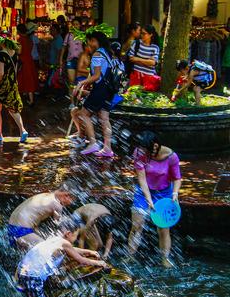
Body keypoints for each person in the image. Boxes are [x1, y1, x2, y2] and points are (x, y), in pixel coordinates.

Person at [17, 216, 107, 297]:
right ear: (69, 233)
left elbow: (71, 250)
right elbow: (81, 260)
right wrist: (99, 263)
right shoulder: (65, 243)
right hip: (33, 277)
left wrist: (89, 251)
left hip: (23, 272)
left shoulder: (53, 239)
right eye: (76, 235)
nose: (76, 238)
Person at [127, 131, 182, 268]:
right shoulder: (140, 152)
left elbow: (177, 178)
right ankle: (130, 257)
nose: (144, 154)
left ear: (156, 145)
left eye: (148, 151)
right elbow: (142, 179)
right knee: (137, 225)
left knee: (163, 229)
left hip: (164, 193)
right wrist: (148, 199)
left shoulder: (171, 157)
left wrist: (175, 193)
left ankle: (165, 258)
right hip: (143, 192)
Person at [74, 31, 117, 158]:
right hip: (109, 91)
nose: (89, 44)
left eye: (91, 41)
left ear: (96, 41)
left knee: (83, 113)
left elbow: (96, 76)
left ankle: (92, 142)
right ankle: (107, 148)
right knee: (104, 118)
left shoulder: (98, 54)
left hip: (100, 90)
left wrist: (81, 83)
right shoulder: (108, 53)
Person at [0, 31, 28, 143]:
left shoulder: (1, 54)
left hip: (2, 85)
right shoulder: (14, 52)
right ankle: (22, 130)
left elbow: (0, 73)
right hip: (12, 83)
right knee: (12, 108)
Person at [7, 188, 75, 249]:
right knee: (50, 250)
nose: (70, 203)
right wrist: (67, 234)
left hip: (11, 228)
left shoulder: (43, 196)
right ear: (66, 196)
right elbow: (59, 225)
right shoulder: (57, 205)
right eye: (71, 200)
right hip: (23, 231)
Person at [127, 24, 161, 92]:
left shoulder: (155, 47)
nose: (141, 35)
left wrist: (138, 59)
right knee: (133, 97)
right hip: (136, 76)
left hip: (149, 78)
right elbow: (131, 58)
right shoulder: (136, 43)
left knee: (147, 98)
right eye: (141, 33)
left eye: (144, 33)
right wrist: (147, 61)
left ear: (150, 34)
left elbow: (153, 63)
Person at [16, 24, 38, 106]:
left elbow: (20, 51)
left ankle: (31, 101)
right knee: (29, 79)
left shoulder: (20, 39)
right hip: (29, 60)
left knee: (26, 80)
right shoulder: (29, 39)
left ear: (19, 31)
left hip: (23, 61)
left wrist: (15, 49)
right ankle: (29, 98)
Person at [59, 18, 83, 87]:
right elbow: (64, 47)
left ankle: (78, 96)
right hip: (70, 60)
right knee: (71, 82)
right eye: (74, 24)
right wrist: (60, 60)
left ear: (80, 25)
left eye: (77, 24)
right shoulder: (68, 35)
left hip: (81, 61)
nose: (75, 26)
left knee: (80, 82)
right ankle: (72, 97)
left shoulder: (83, 35)